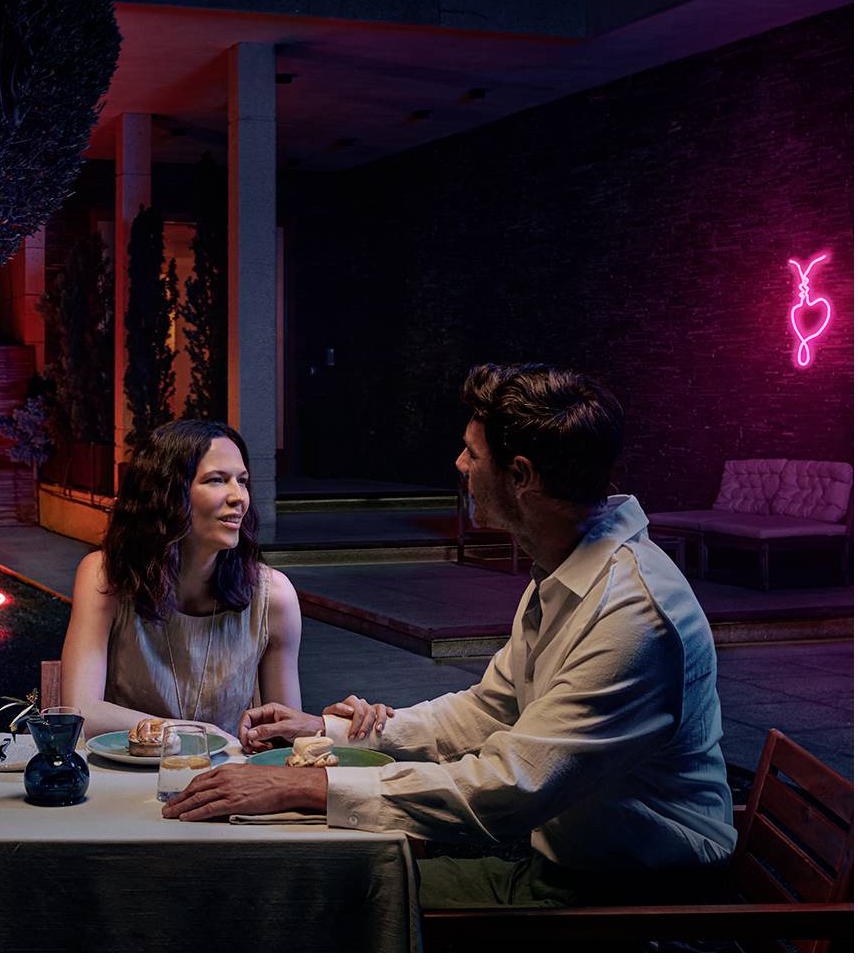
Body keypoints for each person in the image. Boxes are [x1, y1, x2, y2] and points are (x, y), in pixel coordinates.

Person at [163, 364, 737, 908]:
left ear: (520, 476)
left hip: (632, 901)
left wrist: (309, 786)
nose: (459, 464)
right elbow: (488, 713)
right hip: (575, 868)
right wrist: (327, 732)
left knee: (321, 894)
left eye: (473, 452)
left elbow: (507, 789)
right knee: (327, 876)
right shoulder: (569, 568)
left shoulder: (630, 615)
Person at [60, 419, 302, 741]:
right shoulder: (106, 576)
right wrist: (195, 733)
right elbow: (81, 712)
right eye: (217, 480)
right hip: (126, 776)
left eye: (242, 481)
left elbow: (286, 736)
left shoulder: (273, 595)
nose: (238, 497)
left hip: (230, 781)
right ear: (167, 494)